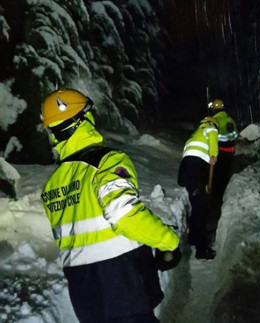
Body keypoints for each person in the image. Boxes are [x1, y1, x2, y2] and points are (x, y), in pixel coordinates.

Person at [40, 88, 180, 323]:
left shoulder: (53, 185)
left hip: (83, 293)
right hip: (122, 284)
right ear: (84, 119)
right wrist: (169, 241)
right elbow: (124, 214)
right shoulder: (107, 162)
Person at [177, 116, 219, 259]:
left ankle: (193, 238)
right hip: (196, 169)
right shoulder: (210, 129)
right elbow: (213, 143)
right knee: (201, 209)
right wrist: (214, 155)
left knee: (197, 205)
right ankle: (201, 249)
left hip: (186, 171)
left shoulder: (195, 135)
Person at [207, 99, 238, 240]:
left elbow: (213, 137)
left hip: (219, 153)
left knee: (217, 179)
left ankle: (214, 202)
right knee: (224, 176)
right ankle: (220, 197)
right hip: (230, 154)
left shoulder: (215, 122)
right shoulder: (230, 120)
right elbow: (234, 136)